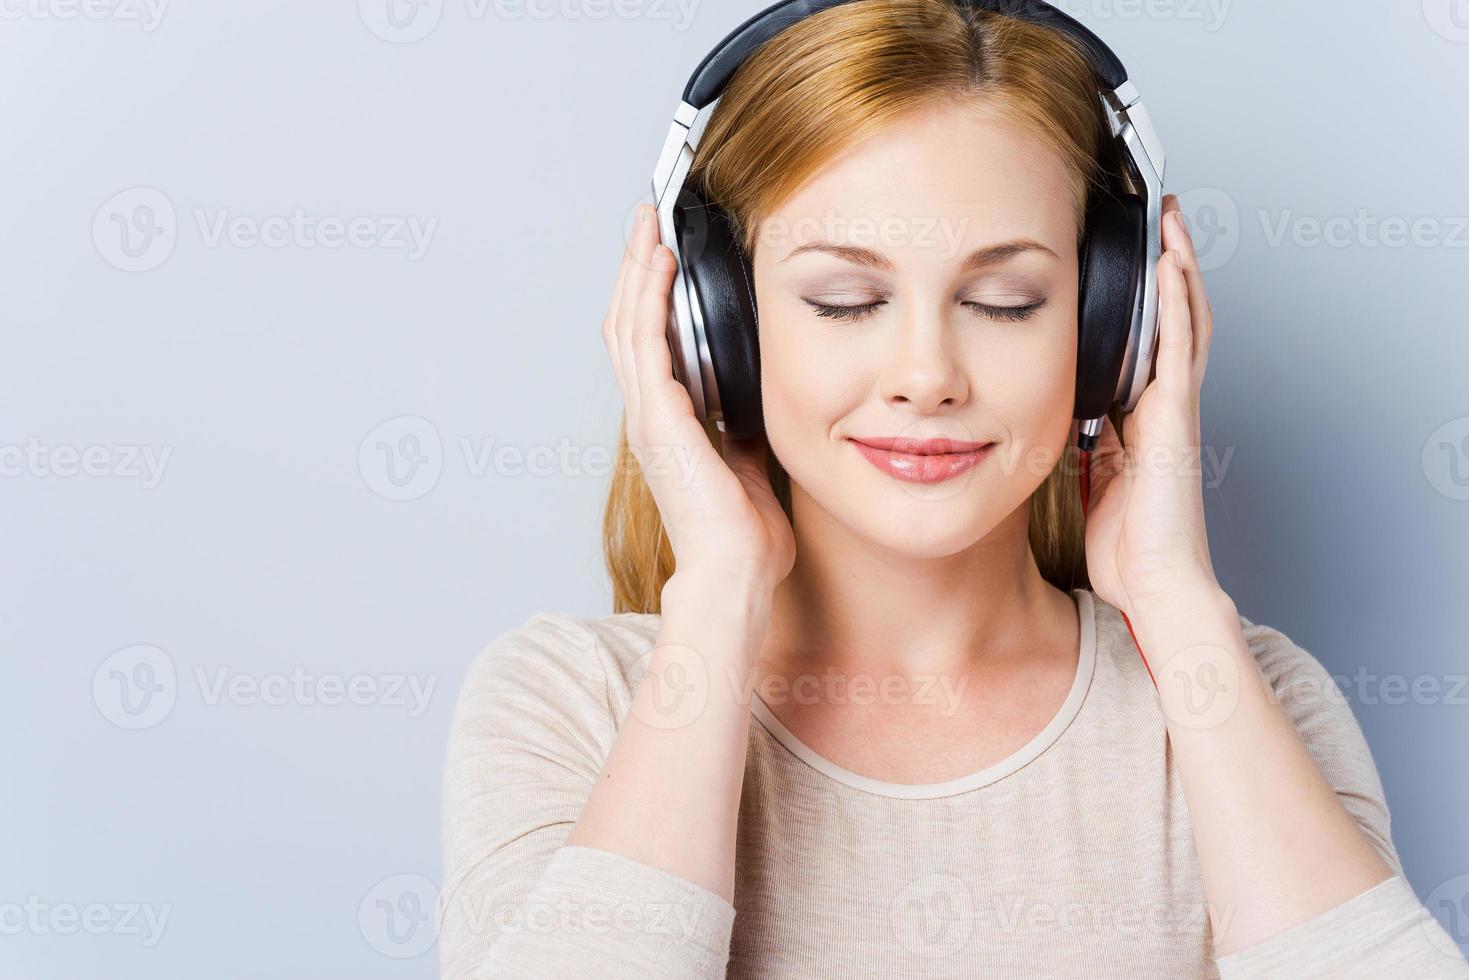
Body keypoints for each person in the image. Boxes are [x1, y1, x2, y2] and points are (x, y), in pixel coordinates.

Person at [438, 1, 1469, 976]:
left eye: (1001, 299)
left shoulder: (1250, 698)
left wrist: (1172, 601)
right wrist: (716, 597)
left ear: (1115, 328)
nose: (925, 373)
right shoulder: (570, 701)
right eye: (845, 300)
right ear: (717, 332)